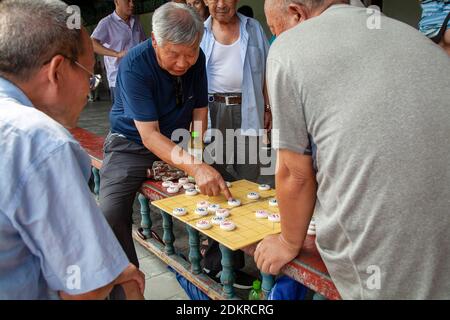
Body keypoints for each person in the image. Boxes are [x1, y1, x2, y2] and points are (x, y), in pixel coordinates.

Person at [257, 0, 450, 299]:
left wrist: (286, 241)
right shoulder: (411, 36)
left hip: (390, 269)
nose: (276, 37)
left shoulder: (289, 49)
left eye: (274, 29)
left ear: (296, 13)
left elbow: (295, 174)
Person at [0, 0, 145, 300]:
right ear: (57, 70)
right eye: (90, 76)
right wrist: (123, 277)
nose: (90, 88)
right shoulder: (40, 142)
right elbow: (85, 288)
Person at [99, 2, 232, 271]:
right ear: (155, 41)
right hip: (132, 144)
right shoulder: (135, 64)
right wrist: (194, 166)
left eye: (191, 53)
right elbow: (149, 136)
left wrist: (195, 153)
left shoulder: (198, 59)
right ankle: (126, 280)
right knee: (110, 212)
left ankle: (216, 268)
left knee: (225, 186)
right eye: (173, 54)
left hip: (179, 141)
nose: (183, 63)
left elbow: (199, 113)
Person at [199, 0, 271, 289]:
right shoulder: (199, 31)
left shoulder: (253, 28)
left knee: (248, 184)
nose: (219, 4)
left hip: (249, 111)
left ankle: (246, 260)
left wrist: (270, 110)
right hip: (211, 111)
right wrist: (194, 132)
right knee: (215, 185)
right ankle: (217, 263)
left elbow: (267, 71)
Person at [91, 0, 146, 104]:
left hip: (139, 76)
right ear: (116, 1)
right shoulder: (107, 23)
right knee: (122, 116)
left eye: (133, 1)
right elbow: (92, 43)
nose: (132, 4)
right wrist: (116, 54)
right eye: (128, 1)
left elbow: (143, 43)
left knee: (139, 114)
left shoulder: (136, 21)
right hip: (118, 79)